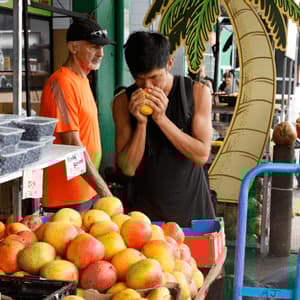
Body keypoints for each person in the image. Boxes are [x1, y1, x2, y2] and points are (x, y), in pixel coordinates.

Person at [112, 31, 216, 227]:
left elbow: (201, 155)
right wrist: (141, 124)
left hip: (192, 213)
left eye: (154, 78)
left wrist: (161, 119)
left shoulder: (197, 93)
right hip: (144, 219)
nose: (147, 86)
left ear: (169, 63)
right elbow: (127, 167)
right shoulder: (122, 102)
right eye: (139, 79)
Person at [39, 17, 115, 212]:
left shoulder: (82, 80)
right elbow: (71, 143)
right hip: (65, 198)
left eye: (102, 47)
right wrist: (105, 192)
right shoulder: (61, 83)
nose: (101, 53)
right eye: (93, 47)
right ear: (73, 48)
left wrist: (97, 189)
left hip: (84, 191)